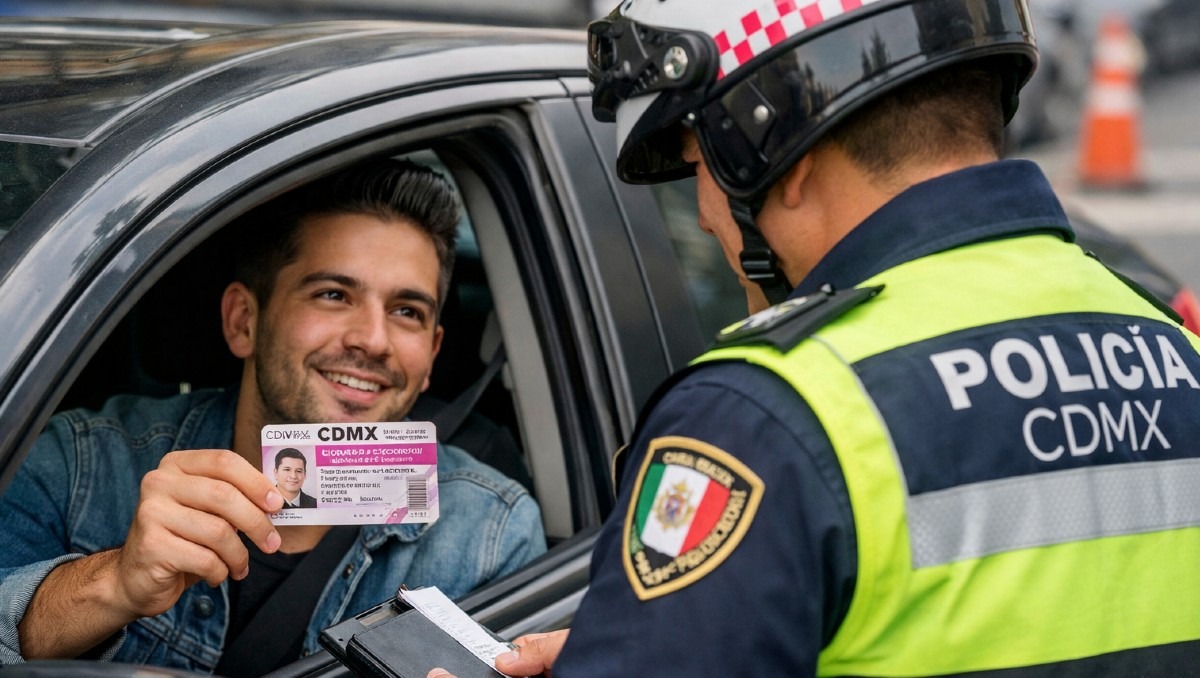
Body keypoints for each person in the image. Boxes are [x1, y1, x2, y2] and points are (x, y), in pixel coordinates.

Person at [434, 0, 1200, 675]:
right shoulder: (1171, 344)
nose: (703, 215)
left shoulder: (764, 416)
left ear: (778, 153)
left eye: (698, 166)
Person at [0, 158, 546, 674]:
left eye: (407, 312)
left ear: (431, 354)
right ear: (243, 321)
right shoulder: (78, 465)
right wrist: (113, 584)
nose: (374, 340)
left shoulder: (493, 534)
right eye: (334, 294)